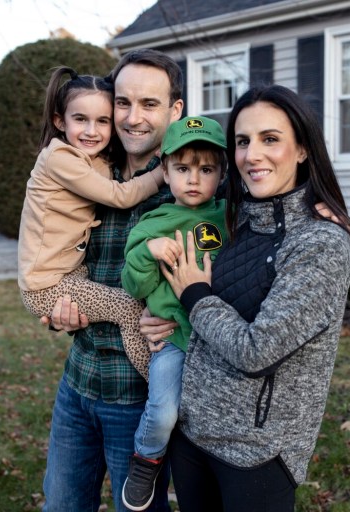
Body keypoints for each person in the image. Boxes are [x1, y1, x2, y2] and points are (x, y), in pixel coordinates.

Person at [153, 85, 350, 512]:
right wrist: (158, 314)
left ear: (303, 149)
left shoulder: (320, 243)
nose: (253, 155)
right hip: (192, 437)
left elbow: (257, 351)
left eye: (271, 139)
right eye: (243, 141)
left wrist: (193, 295)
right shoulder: (230, 218)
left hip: (258, 454)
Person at [41, 50, 183, 512]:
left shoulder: (191, 185)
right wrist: (55, 309)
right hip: (78, 382)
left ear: (174, 111)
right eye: (123, 103)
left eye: (149, 104)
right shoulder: (89, 166)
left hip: (136, 396)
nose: (133, 117)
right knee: (61, 505)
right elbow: (50, 244)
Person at [18, 66, 163, 379]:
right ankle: (158, 385)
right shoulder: (59, 158)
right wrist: (161, 172)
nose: (91, 131)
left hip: (70, 274)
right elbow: (120, 195)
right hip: (47, 285)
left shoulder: (93, 159)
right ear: (60, 121)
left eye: (102, 121)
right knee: (126, 307)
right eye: (80, 119)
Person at [119, 116, 228, 510]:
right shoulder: (152, 224)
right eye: (182, 168)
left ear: (222, 173)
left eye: (206, 169)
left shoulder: (232, 216)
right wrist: (149, 254)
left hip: (223, 340)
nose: (194, 179)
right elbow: (135, 286)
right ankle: (146, 460)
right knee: (164, 412)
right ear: (164, 171)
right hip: (175, 339)